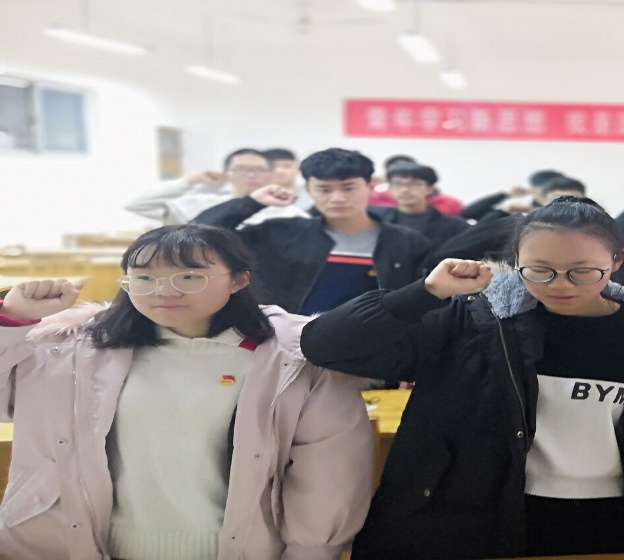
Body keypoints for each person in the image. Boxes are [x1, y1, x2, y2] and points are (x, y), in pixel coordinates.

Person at [300, 198, 624, 558]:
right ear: (516, 259)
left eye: (582, 272)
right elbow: (327, 346)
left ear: (617, 261)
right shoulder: (472, 322)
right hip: (474, 519)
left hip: (612, 521)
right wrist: (425, 292)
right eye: (539, 270)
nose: (560, 286)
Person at [0, 224, 372, 559]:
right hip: (79, 544)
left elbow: (328, 474)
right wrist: (13, 320)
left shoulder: (298, 358)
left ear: (239, 280)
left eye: (190, 276)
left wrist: (312, 552)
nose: (164, 290)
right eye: (144, 278)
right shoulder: (72, 348)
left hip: (241, 547)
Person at [194, 148, 433, 315]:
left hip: (373, 349)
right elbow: (199, 234)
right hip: (289, 347)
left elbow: (424, 303)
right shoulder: (281, 234)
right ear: (309, 189)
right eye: (324, 189)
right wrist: (253, 202)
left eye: (348, 188)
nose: (337, 198)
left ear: (369, 186)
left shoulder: (407, 242)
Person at [425, 176, 590, 267]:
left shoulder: (591, 230)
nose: (564, 204)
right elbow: (453, 249)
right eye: (557, 198)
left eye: (574, 199)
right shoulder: (515, 225)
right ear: (541, 199)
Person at [125, 149, 308, 225]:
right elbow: (138, 205)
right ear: (227, 173)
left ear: (269, 174)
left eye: (259, 170)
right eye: (242, 169)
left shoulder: (287, 213)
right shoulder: (201, 204)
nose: (251, 175)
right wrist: (189, 181)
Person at [374, 163, 471, 246]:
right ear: (390, 188)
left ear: (430, 189)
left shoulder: (455, 227)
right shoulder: (375, 221)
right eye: (398, 184)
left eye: (415, 184)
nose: (405, 190)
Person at [462, 169, 565, 221]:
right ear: (533, 189)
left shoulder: (566, 212)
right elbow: (470, 213)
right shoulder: (520, 211)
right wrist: (504, 195)